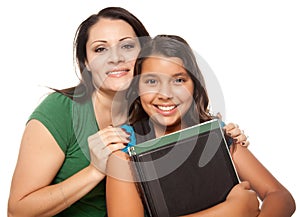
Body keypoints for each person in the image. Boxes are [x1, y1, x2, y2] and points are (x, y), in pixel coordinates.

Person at [7, 7, 249, 217]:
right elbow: (18, 211)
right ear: (86, 62)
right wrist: (95, 170)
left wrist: (224, 141)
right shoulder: (60, 111)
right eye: (100, 49)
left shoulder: (155, 109)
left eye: (127, 46)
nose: (115, 58)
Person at [106, 35, 296, 217]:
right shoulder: (124, 152)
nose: (165, 94)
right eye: (152, 81)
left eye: (178, 80)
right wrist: (231, 212)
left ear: (194, 85)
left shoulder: (216, 136)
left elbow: (280, 196)